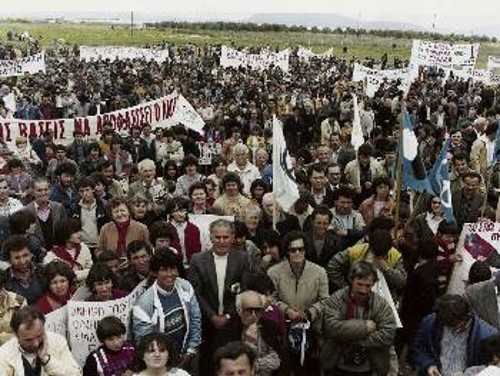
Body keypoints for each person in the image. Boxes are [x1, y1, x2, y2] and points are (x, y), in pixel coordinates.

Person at [188, 219, 250, 375]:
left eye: (225, 237)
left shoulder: (242, 259)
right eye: (217, 237)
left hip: (233, 324)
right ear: (211, 237)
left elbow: (243, 290)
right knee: (207, 366)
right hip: (207, 325)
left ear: (232, 237)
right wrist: (212, 316)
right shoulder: (198, 260)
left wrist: (228, 315)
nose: (221, 241)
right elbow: (196, 293)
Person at [267, 230, 329, 375]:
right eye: (292, 250)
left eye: (301, 249)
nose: (297, 253)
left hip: (311, 328)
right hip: (282, 327)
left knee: (309, 369)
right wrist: (286, 310)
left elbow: (325, 300)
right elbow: (270, 299)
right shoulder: (273, 272)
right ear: (286, 252)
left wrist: (308, 313)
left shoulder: (319, 272)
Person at [320, 261, 397, 375]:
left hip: (368, 366)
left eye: (368, 286)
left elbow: (388, 334)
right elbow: (331, 327)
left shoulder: (381, 304)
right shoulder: (337, 299)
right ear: (351, 280)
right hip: (338, 364)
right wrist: (364, 327)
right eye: (359, 284)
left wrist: (352, 337)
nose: (363, 290)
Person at [133, 248, 201, 371]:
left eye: (173, 269)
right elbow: (145, 343)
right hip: (160, 364)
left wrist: (191, 350)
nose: (170, 274)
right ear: (154, 272)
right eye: (164, 270)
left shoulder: (185, 286)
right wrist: (164, 364)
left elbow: (195, 319)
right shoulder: (143, 305)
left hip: (186, 355)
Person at [414, 294, 498, 376]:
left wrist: (468, 374)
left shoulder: (488, 335)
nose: (455, 331)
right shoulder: (430, 322)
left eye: (459, 326)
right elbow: (419, 346)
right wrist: (428, 364)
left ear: (468, 316)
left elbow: (492, 368)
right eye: (449, 327)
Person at [0, 306, 81, 375]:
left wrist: (47, 360)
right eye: (28, 340)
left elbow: (76, 374)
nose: (36, 343)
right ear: (16, 335)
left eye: (39, 335)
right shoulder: (4, 353)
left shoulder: (57, 341)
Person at [236, 290, 282, 376]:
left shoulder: (270, 327)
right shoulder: (228, 330)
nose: (253, 315)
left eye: (257, 310)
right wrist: (250, 343)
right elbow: (235, 365)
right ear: (239, 311)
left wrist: (254, 365)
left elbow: (277, 361)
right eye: (249, 310)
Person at [43, 218, 93, 282]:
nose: (79, 235)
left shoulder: (83, 248)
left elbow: (91, 270)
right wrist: (81, 274)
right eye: (75, 232)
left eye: (78, 231)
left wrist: (74, 275)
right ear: (65, 234)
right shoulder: (52, 255)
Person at [25, 177, 67, 250]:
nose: (43, 193)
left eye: (46, 189)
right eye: (39, 190)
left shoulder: (59, 207)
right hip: (37, 255)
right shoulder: (26, 211)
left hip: (59, 252)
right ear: (32, 192)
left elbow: (65, 231)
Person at [3, 235, 44, 305]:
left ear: (31, 254)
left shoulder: (42, 271)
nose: (22, 261)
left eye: (25, 255)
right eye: (17, 258)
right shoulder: (4, 280)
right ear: (9, 260)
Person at [167, 197, 202, 268]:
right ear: (171, 212)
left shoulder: (193, 229)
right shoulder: (166, 228)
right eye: (177, 211)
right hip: (173, 266)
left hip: (191, 266)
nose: (181, 214)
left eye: (183, 211)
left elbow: (198, 250)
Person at [0, 269, 27, 346]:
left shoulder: (19, 301)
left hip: (17, 346)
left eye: (0, 290)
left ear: (4, 287)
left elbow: (25, 331)